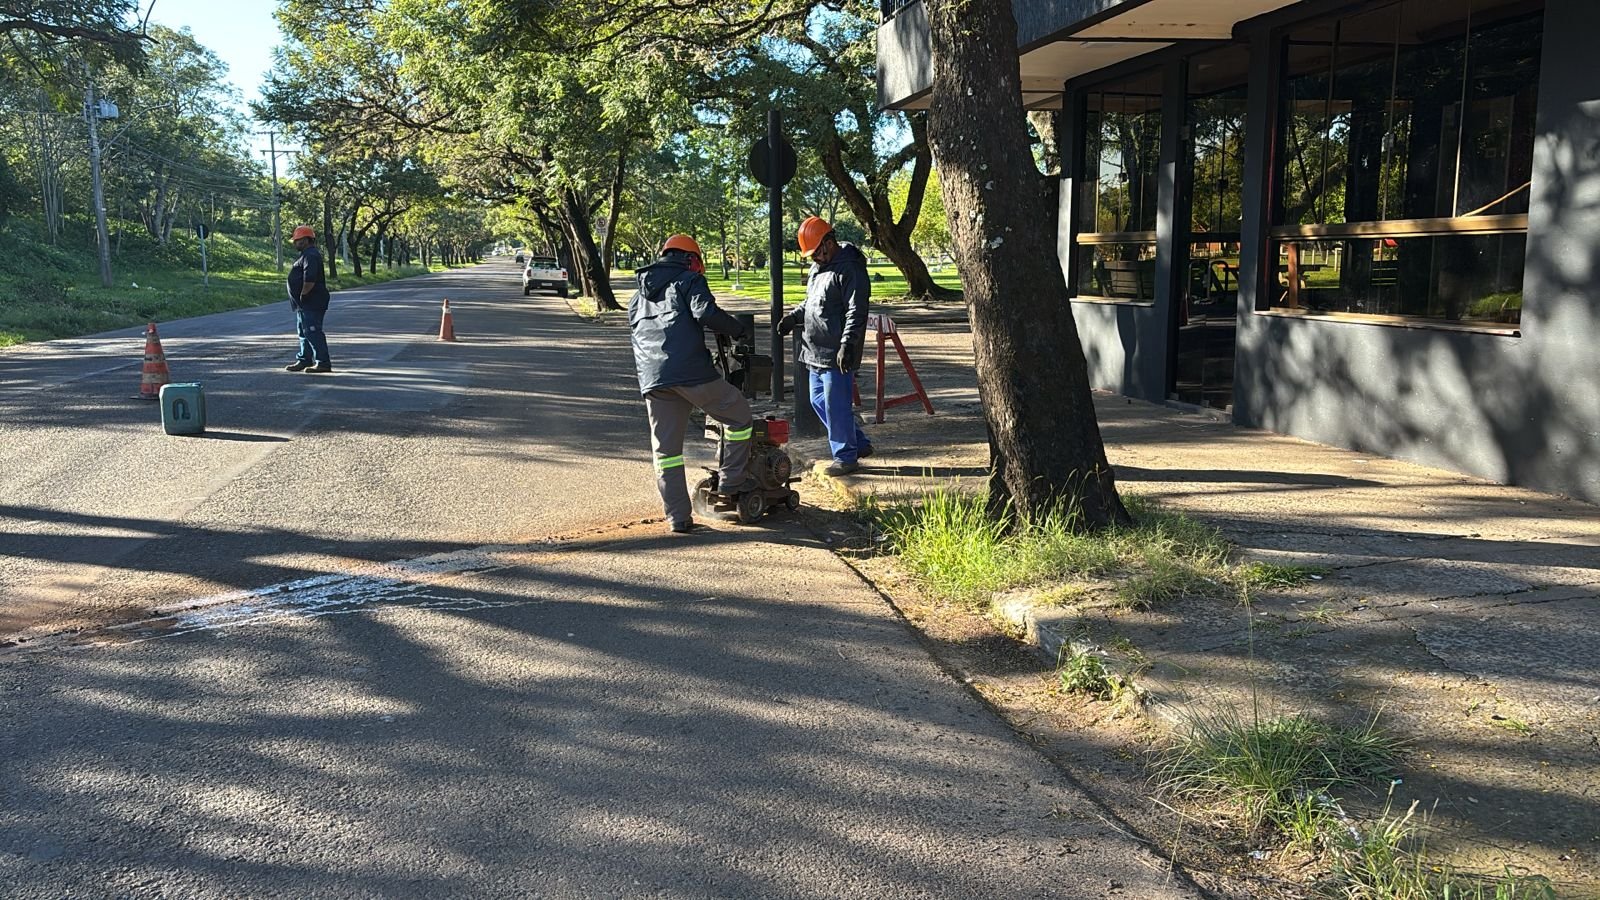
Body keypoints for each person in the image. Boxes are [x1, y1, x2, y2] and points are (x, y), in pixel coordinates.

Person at [628, 234, 756, 534]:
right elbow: (706, 313)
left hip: (653, 379)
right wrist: (738, 330)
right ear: (691, 259)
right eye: (699, 262)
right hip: (690, 372)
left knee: (666, 451)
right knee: (739, 417)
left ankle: (678, 517)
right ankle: (731, 481)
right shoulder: (688, 281)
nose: (700, 269)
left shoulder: (637, 297)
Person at [779, 216, 873, 476]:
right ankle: (859, 443)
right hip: (814, 350)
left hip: (837, 352)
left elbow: (857, 311)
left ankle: (845, 456)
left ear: (829, 243)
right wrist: (794, 317)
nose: (814, 259)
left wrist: (848, 344)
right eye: (810, 255)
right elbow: (812, 303)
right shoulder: (817, 269)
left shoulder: (850, 269)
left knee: (835, 405)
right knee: (818, 401)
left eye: (817, 253)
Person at [284, 225, 333, 373]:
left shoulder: (311, 255)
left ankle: (323, 362)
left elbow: (309, 279)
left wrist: (303, 295)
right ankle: (304, 360)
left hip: (311, 301)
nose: (295, 243)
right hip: (304, 304)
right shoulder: (306, 254)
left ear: (306, 240)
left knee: (312, 331)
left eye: (297, 240)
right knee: (303, 332)